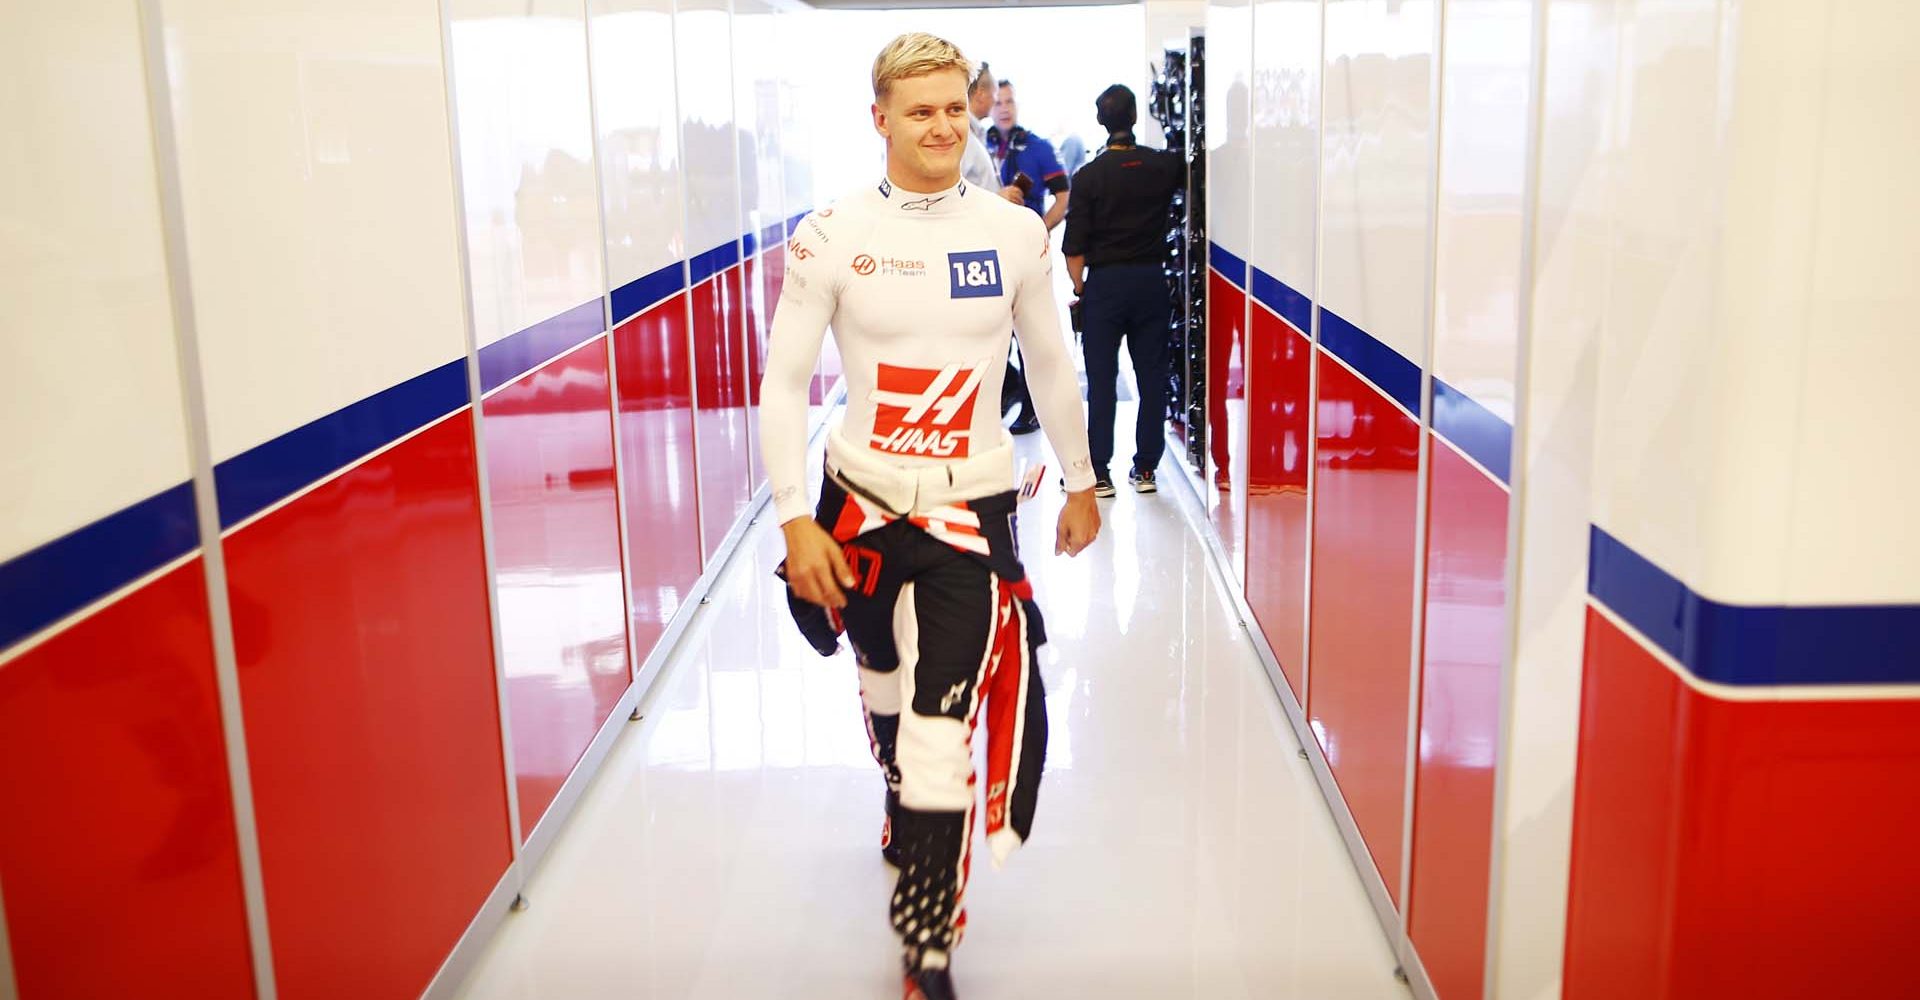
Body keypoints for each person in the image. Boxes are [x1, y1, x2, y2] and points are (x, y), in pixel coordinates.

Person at [758, 33, 1102, 1000]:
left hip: (970, 512)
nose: (945, 125)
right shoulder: (830, 237)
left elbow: (1052, 365)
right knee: (884, 687)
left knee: (939, 725)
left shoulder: (1014, 234)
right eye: (921, 110)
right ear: (880, 120)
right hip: (857, 513)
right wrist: (795, 521)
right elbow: (784, 388)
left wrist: (1082, 479)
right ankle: (898, 795)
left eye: (957, 105)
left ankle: (927, 945)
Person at [1061, 84, 1185, 496]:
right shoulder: (1164, 167)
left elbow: (1074, 249)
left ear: (1101, 120)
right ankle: (1146, 469)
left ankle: (1099, 472)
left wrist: (1081, 287)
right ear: (1134, 117)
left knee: (1102, 379)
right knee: (1152, 376)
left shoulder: (1089, 176)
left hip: (1107, 287)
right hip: (1151, 280)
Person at [985, 79, 1068, 437]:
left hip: (1024, 252)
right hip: (987, 251)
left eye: (1009, 101)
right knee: (990, 329)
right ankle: (1006, 392)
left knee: (1030, 335)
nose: (1004, 107)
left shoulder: (1038, 148)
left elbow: (1064, 197)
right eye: (998, 101)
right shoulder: (979, 146)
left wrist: (1042, 228)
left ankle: (1033, 409)